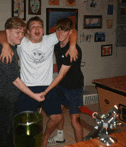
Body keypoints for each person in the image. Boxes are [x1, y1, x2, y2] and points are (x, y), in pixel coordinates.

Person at [0, 16, 78, 147]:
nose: (37, 28)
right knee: (24, 122)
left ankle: (44, 138)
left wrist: (73, 45)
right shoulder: (22, 41)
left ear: (43, 29)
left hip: (47, 86)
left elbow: (72, 31)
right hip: (27, 87)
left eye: (39, 26)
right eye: (33, 26)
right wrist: (5, 44)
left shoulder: (50, 39)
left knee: (57, 117)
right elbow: (0, 33)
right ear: (28, 31)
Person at [0, 17, 45, 147]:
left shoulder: (10, 46)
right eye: (17, 32)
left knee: (10, 128)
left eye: (22, 32)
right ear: (8, 32)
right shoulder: (4, 53)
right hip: (3, 96)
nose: (21, 36)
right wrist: (34, 95)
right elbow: (16, 81)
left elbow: (0, 33)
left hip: (10, 95)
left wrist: (6, 44)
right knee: (4, 129)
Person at [40, 17, 84, 146]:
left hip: (74, 87)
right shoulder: (57, 44)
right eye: (58, 30)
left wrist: (46, 91)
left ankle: (80, 145)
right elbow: (73, 31)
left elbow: (60, 75)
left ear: (69, 32)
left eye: (64, 31)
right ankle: (60, 137)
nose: (60, 34)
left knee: (75, 119)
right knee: (57, 113)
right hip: (62, 86)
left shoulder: (73, 51)